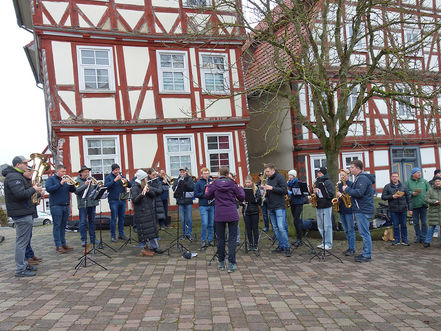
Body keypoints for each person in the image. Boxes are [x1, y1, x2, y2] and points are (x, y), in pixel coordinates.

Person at [3, 156, 43, 277]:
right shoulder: (13, 177)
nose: (27, 165)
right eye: (25, 164)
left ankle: (24, 265)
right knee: (21, 243)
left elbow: (25, 194)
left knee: (23, 242)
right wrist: (33, 189)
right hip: (21, 213)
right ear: (18, 165)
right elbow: (20, 194)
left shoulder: (17, 176)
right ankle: (20, 269)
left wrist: (36, 193)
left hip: (24, 211)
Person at [206, 166, 245, 272]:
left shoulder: (214, 184)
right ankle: (231, 264)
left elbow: (208, 196)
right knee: (232, 239)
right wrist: (240, 187)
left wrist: (209, 187)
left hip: (219, 214)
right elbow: (241, 197)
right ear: (228, 173)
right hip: (232, 213)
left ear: (219, 173)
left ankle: (221, 262)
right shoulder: (233, 183)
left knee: (220, 239)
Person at [343, 160, 376, 263]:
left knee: (364, 233)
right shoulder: (359, 178)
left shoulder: (362, 178)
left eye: (352, 167)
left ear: (358, 168)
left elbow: (359, 193)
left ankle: (367, 255)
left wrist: (347, 189)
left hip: (363, 209)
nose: (350, 169)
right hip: (361, 208)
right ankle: (365, 253)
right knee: (364, 233)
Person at [131, 169, 163, 256]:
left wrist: (149, 192)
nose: (147, 179)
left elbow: (153, 195)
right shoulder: (135, 187)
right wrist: (142, 194)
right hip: (141, 212)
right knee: (145, 231)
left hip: (149, 210)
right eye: (145, 178)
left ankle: (154, 246)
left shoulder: (145, 184)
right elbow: (134, 200)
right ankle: (146, 247)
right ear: (142, 178)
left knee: (152, 229)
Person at [46, 165, 76, 253]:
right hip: (56, 206)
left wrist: (72, 185)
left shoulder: (66, 180)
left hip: (66, 205)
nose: (64, 173)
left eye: (65, 172)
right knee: (57, 226)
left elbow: (73, 190)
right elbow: (49, 189)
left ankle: (64, 244)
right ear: (57, 171)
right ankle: (58, 245)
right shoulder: (51, 179)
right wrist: (60, 183)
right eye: (62, 171)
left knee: (63, 226)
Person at [263, 163, 291, 257]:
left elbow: (284, 190)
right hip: (271, 206)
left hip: (279, 206)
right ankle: (281, 245)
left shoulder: (280, 177)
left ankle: (287, 247)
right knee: (275, 228)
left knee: (281, 227)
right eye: (266, 172)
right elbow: (270, 192)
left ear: (272, 170)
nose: (266, 173)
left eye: (267, 171)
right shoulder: (268, 179)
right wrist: (265, 192)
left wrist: (272, 188)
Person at [381, 172, 412, 246]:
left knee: (404, 225)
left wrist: (410, 209)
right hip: (393, 209)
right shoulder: (387, 186)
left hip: (403, 209)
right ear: (391, 178)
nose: (395, 178)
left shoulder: (404, 186)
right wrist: (392, 196)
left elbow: (409, 198)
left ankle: (405, 240)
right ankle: (397, 240)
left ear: (398, 177)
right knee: (395, 225)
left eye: (396, 176)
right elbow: (383, 197)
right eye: (393, 176)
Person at [104, 163, 132, 242]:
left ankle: (121, 234)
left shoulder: (122, 177)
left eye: (118, 169)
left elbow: (130, 185)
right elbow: (106, 186)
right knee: (113, 218)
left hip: (122, 200)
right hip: (113, 200)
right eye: (116, 170)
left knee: (122, 218)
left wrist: (127, 181)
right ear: (113, 170)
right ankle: (113, 236)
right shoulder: (108, 177)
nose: (118, 171)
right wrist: (115, 180)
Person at [75, 165, 99, 247]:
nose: (87, 173)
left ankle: (93, 239)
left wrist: (97, 185)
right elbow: (76, 191)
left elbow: (94, 190)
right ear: (81, 173)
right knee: (82, 222)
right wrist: (85, 185)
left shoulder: (91, 179)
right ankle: (83, 240)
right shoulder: (77, 181)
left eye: (88, 172)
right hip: (83, 204)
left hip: (92, 203)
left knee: (92, 221)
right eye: (85, 172)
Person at [23, 167, 43, 266]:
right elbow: (25, 195)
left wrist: (39, 194)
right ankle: (28, 256)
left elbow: (32, 197)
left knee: (29, 236)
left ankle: (30, 254)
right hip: (25, 210)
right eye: (29, 171)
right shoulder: (24, 183)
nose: (31, 173)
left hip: (31, 209)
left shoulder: (29, 182)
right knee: (26, 237)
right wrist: (34, 189)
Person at [406, 167, 430, 243]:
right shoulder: (408, 182)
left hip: (424, 205)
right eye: (417, 172)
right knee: (416, 223)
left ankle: (424, 237)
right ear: (413, 174)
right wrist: (412, 193)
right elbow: (405, 192)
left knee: (424, 222)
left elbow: (430, 191)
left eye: (420, 172)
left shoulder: (424, 181)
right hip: (414, 205)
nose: (420, 173)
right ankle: (418, 237)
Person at [313, 167, 334, 250]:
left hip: (326, 205)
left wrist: (320, 191)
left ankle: (328, 243)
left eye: (320, 173)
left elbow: (331, 194)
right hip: (318, 205)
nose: (318, 174)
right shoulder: (317, 181)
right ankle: (324, 241)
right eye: (317, 172)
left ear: (324, 173)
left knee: (327, 225)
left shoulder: (328, 182)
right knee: (320, 225)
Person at [336, 169, 356, 256]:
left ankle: (352, 248)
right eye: (340, 175)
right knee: (346, 230)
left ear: (348, 175)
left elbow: (352, 196)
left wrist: (341, 195)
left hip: (349, 209)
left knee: (350, 229)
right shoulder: (339, 184)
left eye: (343, 175)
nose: (342, 177)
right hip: (341, 209)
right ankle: (349, 247)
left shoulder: (351, 184)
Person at [194, 168, 215, 249]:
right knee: (205, 223)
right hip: (203, 205)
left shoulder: (212, 181)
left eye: (207, 173)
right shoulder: (198, 183)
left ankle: (210, 240)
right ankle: (203, 240)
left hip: (212, 204)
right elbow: (196, 194)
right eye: (205, 173)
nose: (206, 175)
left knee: (211, 224)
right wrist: (204, 195)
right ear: (201, 174)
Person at [172, 168, 195, 240]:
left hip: (188, 202)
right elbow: (173, 188)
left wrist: (184, 183)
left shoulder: (190, 179)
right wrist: (179, 182)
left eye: (183, 172)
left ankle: (189, 233)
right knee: (183, 219)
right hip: (180, 202)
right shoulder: (177, 179)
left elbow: (191, 188)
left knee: (189, 219)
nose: (182, 173)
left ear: (186, 172)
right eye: (181, 172)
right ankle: (184, 234)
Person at [242, 175, 262, 250]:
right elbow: (240, 199)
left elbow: (259, 199)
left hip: (254, 211)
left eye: (249, 182)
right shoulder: (243, 189)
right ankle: (250, 243)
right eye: (246, 182)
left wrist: (254, 199)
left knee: (255, 228)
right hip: (246, 211)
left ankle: (256, 243)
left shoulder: (256, 188)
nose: (248, 184)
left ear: (252, 182)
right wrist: (242, 202)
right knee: (248, 228)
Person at [287, 169, 305, 247]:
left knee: (296, 221)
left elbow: (297, 193)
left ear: (293, 176)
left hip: (298, 203)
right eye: (288, 175)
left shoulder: (297, 182)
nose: (289, 176)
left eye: (290, 175)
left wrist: (288, 192)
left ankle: (300, 239)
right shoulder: (290, 183)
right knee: (295, 220)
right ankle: (298, 238)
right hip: (293, 203)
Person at [423, 177, 441, 247]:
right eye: (436, 181)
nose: (438, 182)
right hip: (433, 212)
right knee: (431, 227)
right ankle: (427, 242)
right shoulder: (430, 190)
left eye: (439, 181)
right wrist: (434, 201)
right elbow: (426, 199)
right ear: (434, 182)